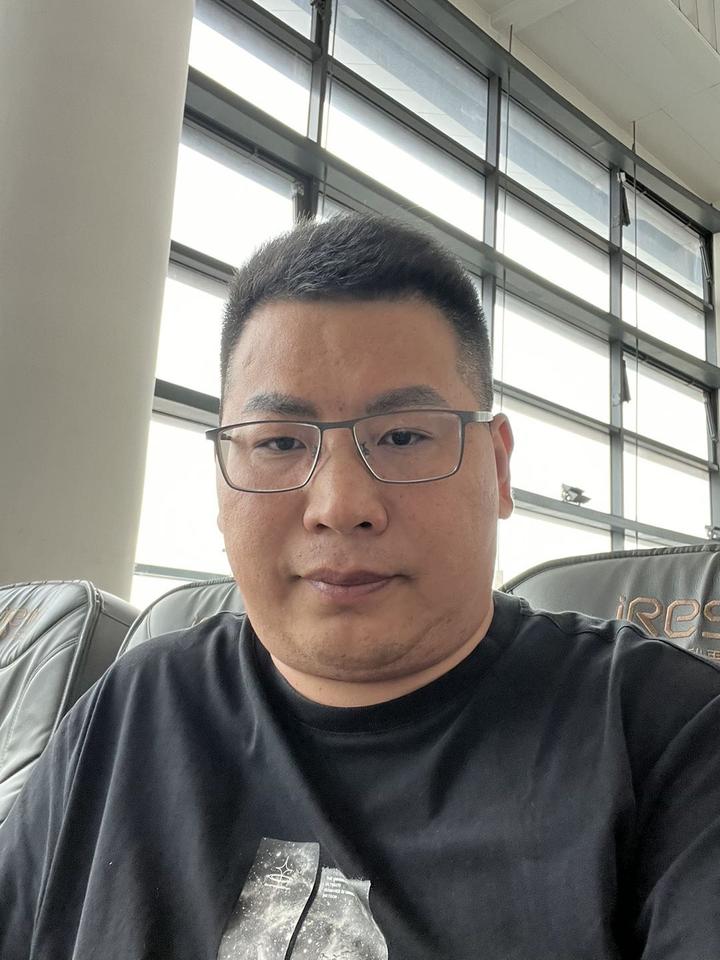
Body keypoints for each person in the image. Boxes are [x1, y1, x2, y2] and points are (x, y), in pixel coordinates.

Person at [1, 213, 719, 960]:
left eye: (404, 436)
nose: (341, 505)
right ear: (221, 477)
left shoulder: (669, 739)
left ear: (498, 468)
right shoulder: (128, 713)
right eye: (280, 442)